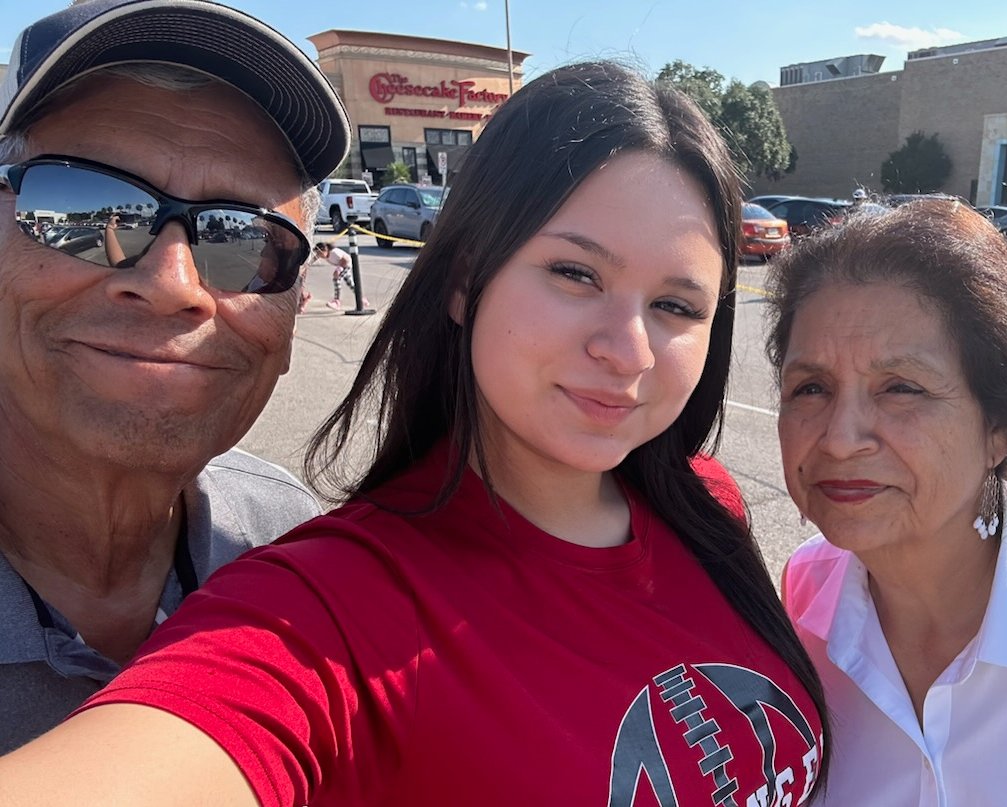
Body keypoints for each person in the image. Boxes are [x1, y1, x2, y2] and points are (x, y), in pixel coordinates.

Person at [0, 61, 828, 806]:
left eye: (676, 306)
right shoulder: (324, 607)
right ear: (466, 278)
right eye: (575, 274)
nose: (627, 349)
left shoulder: (706, 501)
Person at [0, 0, 352, 752]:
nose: (173, 282)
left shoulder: (286, 544)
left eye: (240, 237)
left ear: (292, 315)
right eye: (84, 207)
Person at [767, 199, 1007, 804]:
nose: (839, 438)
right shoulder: (805, 597)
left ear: (1002, 427)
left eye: (901, 388)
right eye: (811, 388)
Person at [313, 240, 362, 309]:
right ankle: (361, 299)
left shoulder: (334, 253)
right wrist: (308, 264)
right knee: (350, 284)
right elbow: (315, 257)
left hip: (346, 265)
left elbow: (346, 259)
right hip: (342, 266)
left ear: (325, 250)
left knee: (336, 279)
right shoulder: (324, 254)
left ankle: (336, 301)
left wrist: (338, 269)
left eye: (320, 253)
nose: (319, 256)